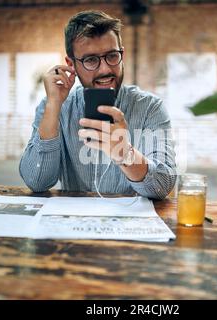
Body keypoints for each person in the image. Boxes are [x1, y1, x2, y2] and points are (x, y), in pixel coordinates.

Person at [19, 10, 176, 200]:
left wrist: (125, 153)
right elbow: (37, 182)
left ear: (122, 54)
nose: (105, 69)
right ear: (72, 64)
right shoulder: (54, 106)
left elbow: (162, 188)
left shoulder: (150, 107)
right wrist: (53, 107)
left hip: (130, 225)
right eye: (91, 60)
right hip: (74, 223)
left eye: (112, 56)